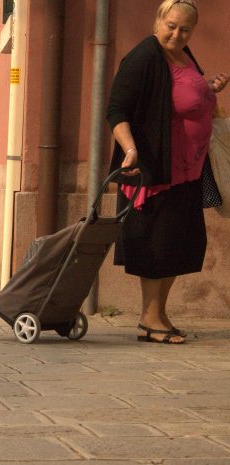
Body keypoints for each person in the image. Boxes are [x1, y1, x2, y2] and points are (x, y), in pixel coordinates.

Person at [106, 0, 229, 344]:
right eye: (171, 25)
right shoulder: (144, 57)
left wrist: (209, 89)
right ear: (158, 21)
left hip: (188, 170)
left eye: (185, 29)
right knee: (156, 246)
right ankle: (149, 318)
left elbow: (183, 97)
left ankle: (159, 314)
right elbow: (117, 110)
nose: (177, 33)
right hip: (156, 170)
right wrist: (130, 150)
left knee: (179, 245)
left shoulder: (185, 55)